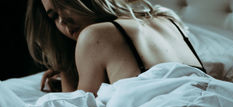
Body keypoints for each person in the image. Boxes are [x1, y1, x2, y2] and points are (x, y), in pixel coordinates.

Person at [25, 0, 206, 95]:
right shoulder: (169, 21)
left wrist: (65, 71)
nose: (63, 20)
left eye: (65, 5)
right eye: (54, 16)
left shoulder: (93, 36)